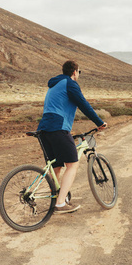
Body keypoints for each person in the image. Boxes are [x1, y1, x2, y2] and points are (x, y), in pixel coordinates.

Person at [37, 60, 107, 214]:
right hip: (58, 128)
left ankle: (55, 198)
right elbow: (83, 104)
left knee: (55, 166)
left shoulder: (54, 84)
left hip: (43, 129)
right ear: (75, 72)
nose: (78, 75)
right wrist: (99, 122)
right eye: (79, 72)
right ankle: (60, 203)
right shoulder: (70, 83)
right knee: (72, 164)